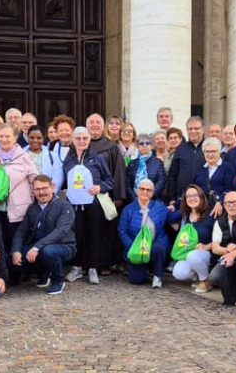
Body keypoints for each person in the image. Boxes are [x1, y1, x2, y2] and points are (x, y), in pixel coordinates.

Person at [63, 127, 114, 284]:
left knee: (94, 235)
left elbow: (110, 180)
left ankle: (92, 268)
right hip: (74, 205)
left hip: (93, 204)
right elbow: (64, 180)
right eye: (78, 138)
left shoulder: (97, 158)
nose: (82, 141)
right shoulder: (68, 159)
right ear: (73, 140)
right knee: (77, 235)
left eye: (85, 138)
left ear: (89, 140)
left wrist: (100, 187)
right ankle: (77, 267)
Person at [0, 125, 38, 284]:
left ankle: (18, 274)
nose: (4, 139)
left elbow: (34, 177)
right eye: (1, 136)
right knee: (0, 240)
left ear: (15, 138)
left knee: (16, 239)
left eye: (7, 136)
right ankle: (3, 274)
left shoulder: (24, 156)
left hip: (18, 206)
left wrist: (34, 195)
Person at [11, 175, 77, 295]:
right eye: (37, 189)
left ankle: (58, 280)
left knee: (49, 251)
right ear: (33, 191)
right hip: (39, 248)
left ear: (52, 187)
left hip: (64, 247)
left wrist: (36, 247)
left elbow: (61, 231)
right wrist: (15, 251)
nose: (41, 192)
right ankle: (44, 274)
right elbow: (21, 231)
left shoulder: (64, 205)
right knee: (13, 256)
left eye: (44, 188)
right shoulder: (32, 208)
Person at [86, 113, 128, 274]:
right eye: (92, 122)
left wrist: (118, 196)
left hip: (106, 196)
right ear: (87, 125)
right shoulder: (82, 143)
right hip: (85, 197)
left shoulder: (110, 146)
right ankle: (88, 263)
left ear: (103, 127)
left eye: (98, 122)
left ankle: (104, 263)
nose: (95, 125)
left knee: (105, 230)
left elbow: (118, 171)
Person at [119, 179, 169, 288]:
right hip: (136, 248)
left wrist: (185, 207)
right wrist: (132, 247)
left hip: (155, 245)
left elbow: (173, 217)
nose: (145, 192)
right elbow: (122, 231)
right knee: (136, 280)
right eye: (142, 189)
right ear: (137, 191)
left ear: (152, 193)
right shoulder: (128, 209)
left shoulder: (160, 207)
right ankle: (144, 270)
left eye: (148, 190)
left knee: (159, 248)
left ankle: (157, 275)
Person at [169, 185, 216, 293]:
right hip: (188, 255)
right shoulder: (185, 217)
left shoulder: (211, 216)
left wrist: (206, 246)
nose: (192, 198)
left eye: (195, 195)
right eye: (188, 196)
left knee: (193, 256)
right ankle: (198, 276)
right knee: (178, 272)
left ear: (201, 197)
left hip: (206, 254)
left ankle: (205, 280)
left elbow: (220, 240)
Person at [166, 116, 206, 208]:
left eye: (196, 128)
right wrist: (172, 199)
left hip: (204, 198)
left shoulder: (208, 147)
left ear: (203, 129)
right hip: (183, 199)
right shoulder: (181, 149)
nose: (193, 131)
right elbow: (172, 175)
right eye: (190, 129)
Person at [192, 137, 236, 217]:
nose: (210, 154)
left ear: (219, 152)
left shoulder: (228, 168)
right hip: (203, 211)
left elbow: (230, 189)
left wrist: (220, 202)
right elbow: (194, 188)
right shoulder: (200, 169)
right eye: (207, 151)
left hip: (222, 211)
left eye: (213, 151)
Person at [125, 133, 165, 202]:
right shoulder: (132, 163)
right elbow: (127, 184)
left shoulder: (158, 162)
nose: (144, 145)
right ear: (138, 146)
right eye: (141, 143)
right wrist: (134, 198)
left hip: (153, 200)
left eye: (147, 143)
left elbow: (161, 181)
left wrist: (149, 195)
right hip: (134, 201)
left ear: (151, 146)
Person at [49, 114, 75, 192]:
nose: (64, 133)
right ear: (56, 132)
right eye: (61, 130)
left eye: (67, 130)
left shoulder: (78, 146)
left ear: (72, 130)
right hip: (58, 190)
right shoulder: (53, 146)